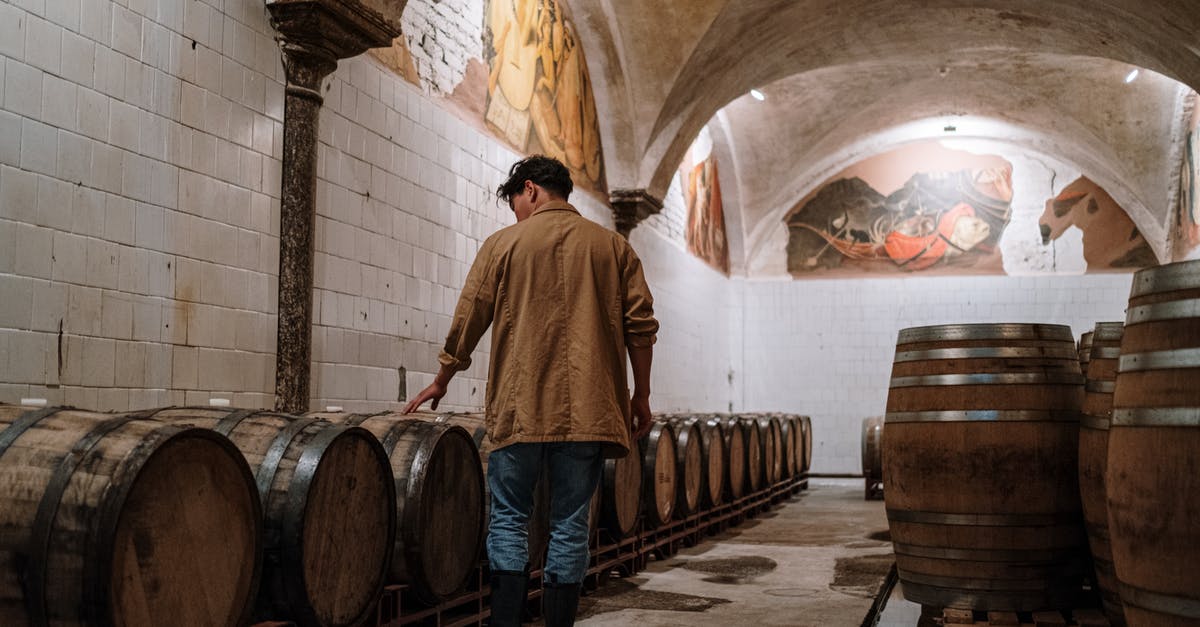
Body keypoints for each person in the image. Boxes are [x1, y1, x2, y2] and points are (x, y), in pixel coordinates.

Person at [403, 155, 658, 627]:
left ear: (531, 190)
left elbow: (470, 315)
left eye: (515, 201)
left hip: (519, 409)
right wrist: (640, 395)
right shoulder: (614, 248)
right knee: (568, 523)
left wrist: (444, 375)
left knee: (509, 517)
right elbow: (641, 326)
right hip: (588, 410)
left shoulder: (503, 244)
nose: (515, 212)